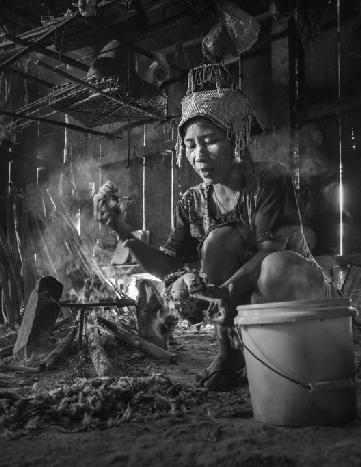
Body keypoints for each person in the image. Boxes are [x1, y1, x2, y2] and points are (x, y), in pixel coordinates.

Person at [95, 63, 331, 391]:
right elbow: (169, 265)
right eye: (190, 145)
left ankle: (291, 352)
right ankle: (231, 354)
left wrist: (225, 291)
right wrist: (121, 229)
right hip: (242, 303)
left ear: (235, 139)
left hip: (292, 295)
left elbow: (269, 251)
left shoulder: (269, 178)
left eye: (210, 141)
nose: (199, 155)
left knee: (271, 266)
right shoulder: (192, 201)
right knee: (201, 262)